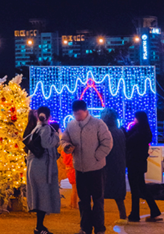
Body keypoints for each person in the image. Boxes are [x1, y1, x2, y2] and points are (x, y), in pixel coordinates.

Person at [60, 99, 113, 234]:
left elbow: (107, 142)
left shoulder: (98, 124)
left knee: (98, 200)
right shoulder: (71, 125)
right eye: (75, 114)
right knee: (83, 200)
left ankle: (99, 228)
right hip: (79, 168)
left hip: (97, 169)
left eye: (79, 114)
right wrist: (67, 146)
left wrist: (97, 156)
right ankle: (85, 228)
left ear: (86, 111)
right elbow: (64, 139)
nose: (77, 117)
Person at [23, 106, 61, 234]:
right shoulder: (46, 128)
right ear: (49, 116)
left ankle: (40, 226)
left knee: (39, 196)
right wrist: (56, 137)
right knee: (43, 196)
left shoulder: (36, 128)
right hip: (42, 167)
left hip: (34, 165)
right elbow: (46, 144)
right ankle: (39, 227)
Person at [125, 111, 162, 222]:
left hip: (133, 162)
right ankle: (154, 210)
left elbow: (128, 142)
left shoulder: (137, 132)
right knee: (142, 187)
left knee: (135, 189)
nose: (134, 120)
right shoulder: (145, 131)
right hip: (140, 162)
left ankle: (135, 213)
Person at [100, 108, 127, 224]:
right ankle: (123, 215)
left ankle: (98, 218)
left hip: (105, 164)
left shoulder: (104, 132)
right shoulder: (120, 131)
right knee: (118, 193)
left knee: (99, 193)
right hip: (119, 164)